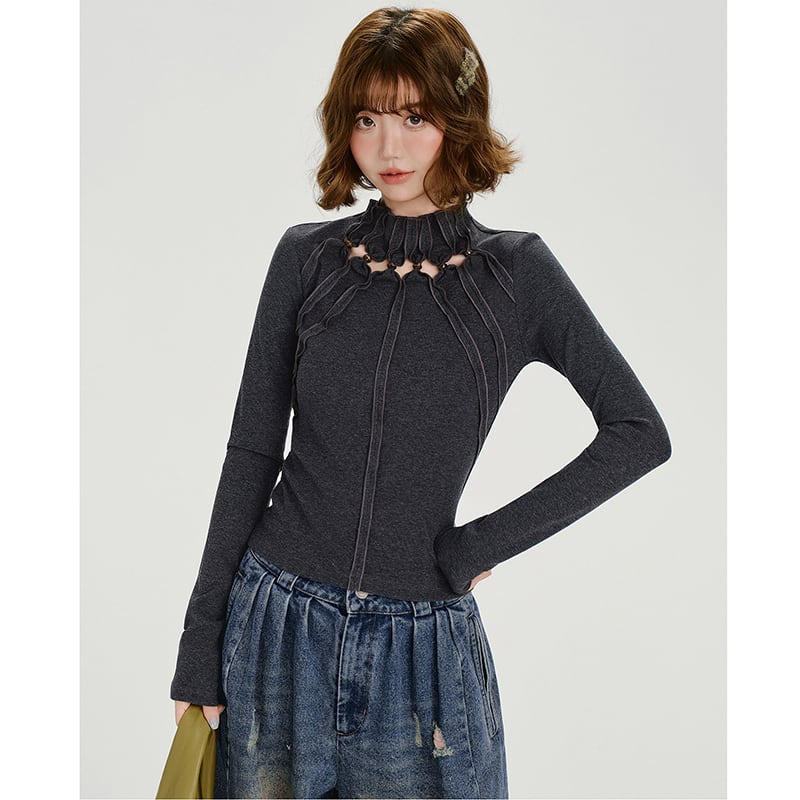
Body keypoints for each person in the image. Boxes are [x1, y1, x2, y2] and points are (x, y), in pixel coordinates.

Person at [170, 6, 672, 799]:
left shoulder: (518, 275)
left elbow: (639, 432)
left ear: (456, 119)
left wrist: (478, 545)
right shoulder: (305, 259)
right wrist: (199, 645)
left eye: (414, 117)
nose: (388, 148)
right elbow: (253, 449)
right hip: (274, 630)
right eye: (366, 118)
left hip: (421, 657)